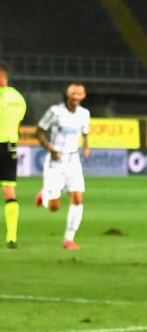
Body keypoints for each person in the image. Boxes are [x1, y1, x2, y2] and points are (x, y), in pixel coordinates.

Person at [35, 82, 90, 250]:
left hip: (73, 161)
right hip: (55, 162)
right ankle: (45, 194)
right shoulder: (55, 112)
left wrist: (86, 146)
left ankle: (68, 239)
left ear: (83, 96)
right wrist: (51, 150)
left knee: (78, 198)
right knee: (53, 207)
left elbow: (85, 133)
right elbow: (38, 132)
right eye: (73, 93)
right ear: (68, 94)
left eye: (79, 93)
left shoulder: (84, 114)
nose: (76, 96)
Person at [0, 62, 27, 249]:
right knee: (9, 191)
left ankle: (11, 236)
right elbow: (18, 121)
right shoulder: (18, 97)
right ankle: (11, 237)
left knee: (10, 191)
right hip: (10, 147)